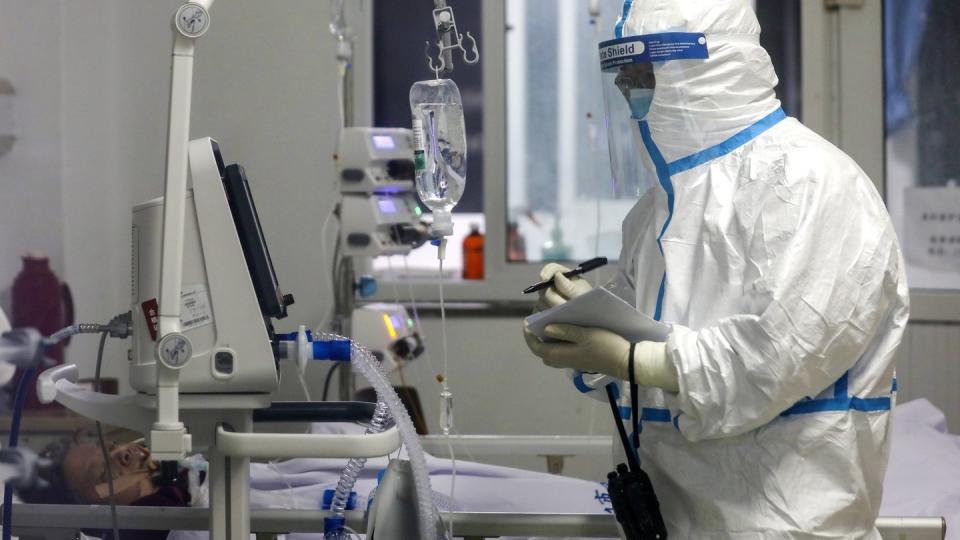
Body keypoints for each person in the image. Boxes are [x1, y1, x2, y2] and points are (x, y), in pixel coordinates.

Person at [523, 0, 909, 538]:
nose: (629, 92)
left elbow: (774, 360)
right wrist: (586, 322)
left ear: (710, 66)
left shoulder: (814, 185)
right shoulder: (658, 210)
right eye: (624, 76)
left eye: (645, 74)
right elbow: (645, 360)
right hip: (672, 519)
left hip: (787, 525)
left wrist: (635, 358)